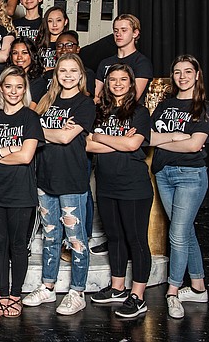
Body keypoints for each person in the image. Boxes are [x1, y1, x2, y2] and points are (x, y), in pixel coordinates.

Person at [23, 53, 95, 316]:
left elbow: (65, 138)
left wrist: (43, 133)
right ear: (56, 74)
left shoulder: (85, 104)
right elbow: (33, 130)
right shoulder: (46, 101)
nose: (67, 75)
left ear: (80, 75)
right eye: (62, 70)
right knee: (51, 236)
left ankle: (77, 291)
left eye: (72, 71)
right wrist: (52, 133)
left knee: (76, 239)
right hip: (45, 178)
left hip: (71, 180)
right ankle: (48, 286)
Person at [150, 55, 209, 319]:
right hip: (164, 174)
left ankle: (172, 292)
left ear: (197, 75)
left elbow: (193, 146)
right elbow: (148, 136)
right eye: (177, 72)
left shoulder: (205, 107)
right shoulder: (164, 105)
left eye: (188, 71)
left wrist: (164, 141)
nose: (182, 76)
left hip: (190, 175)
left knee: (177, 235)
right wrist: (177, 136)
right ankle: (199, 288)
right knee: (184, 232)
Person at [86, 64, 153, 318]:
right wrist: (119, 142)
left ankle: (138, 296)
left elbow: (133, 144)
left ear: (131, 82)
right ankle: (117, 288)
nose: (117, 84)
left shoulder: (139, 112)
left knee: (135, 240)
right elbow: (87, 146)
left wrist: (101, 138)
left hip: (134, 187)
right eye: (112, 79)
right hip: (106, 185)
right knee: (113, 237)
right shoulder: (99, 112)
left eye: (122, 79)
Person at [0, 66, 44, 318]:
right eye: (8, 86)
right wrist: (9, 150)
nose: (13, 91)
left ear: (24, 90)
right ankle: (2, 294)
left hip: (20, 193)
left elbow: (26, 157)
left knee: (17, 245)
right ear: (1, 90)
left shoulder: (30, 118)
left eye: (19, 86)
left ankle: (16, 295)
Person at [94, 14, 153, 104]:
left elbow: (133, 97)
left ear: (135, 33)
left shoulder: (141, 62)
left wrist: (105, 94)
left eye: (124, 30)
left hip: (129, 113)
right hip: (104, 112)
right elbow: (96, 96)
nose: (118, 34)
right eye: (115, 31)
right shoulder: (105, 62)